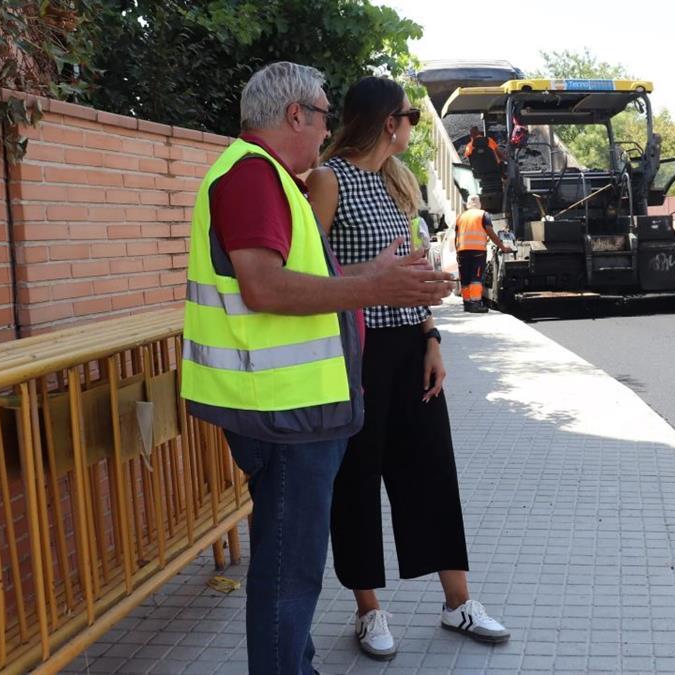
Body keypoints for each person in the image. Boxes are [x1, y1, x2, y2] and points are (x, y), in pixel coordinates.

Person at [181, 62, 453, 675]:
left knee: (292, 567)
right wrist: (372, 287)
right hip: (283, 414)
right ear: (296, 114)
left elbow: (304, 281)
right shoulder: (254, 178)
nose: (329, 126)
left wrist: (379, 282)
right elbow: (265, 288)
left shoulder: (269, 177)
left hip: (291, 409)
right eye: (325, 113)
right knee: (289, 573)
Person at [305, 76, 511, 661]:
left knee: (432, 473)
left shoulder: (396, 179)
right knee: (358, 481)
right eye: (409, 117)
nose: (413, 127)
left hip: (410, 348)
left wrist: (433, 338)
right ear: (383, 120)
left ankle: (458, 603)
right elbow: (313, 277)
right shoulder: (327, 180)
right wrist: (372, 276)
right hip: (359, 352)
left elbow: (414, 272)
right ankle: (369, 610)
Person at [454, 194, 511, 313]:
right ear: (479, 203)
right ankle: (475, 303)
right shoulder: (483, 214)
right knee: (476, 277)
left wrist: (457, 252)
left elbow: (456, 237)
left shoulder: (460, 217)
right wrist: (502, 247)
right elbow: (490, 233)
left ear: (468, 205)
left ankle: (467, 303)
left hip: (462, 251)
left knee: (465, 278)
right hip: (477, 251)